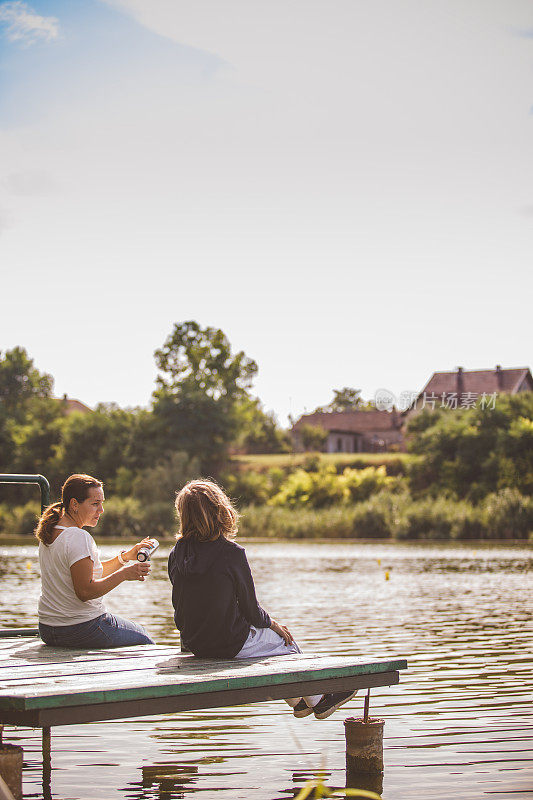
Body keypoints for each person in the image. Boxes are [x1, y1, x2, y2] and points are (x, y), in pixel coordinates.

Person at [168, 479, 357, 720]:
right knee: (285, 642)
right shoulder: (231, 553)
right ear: (220, 511)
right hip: (228, 643)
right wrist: (274, 624)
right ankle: (317, 701)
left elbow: (185, 601)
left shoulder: (177, 553)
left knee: (272, 643)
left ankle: (299, 701)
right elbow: (251, 611)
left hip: (194, 643)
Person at [35, 473, 155, 649]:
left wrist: (125, 558)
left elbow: (88, 574)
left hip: (48, 630)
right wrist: (124, 574)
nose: (101, 510)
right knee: (144, 637)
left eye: (102, 503)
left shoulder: (50, 531)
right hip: (82, 629)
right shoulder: (78, 537)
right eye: (95, 504)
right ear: (74, 504)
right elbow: (85, 591)